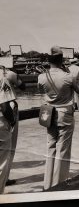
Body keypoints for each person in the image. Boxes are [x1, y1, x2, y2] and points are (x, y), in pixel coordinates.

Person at [38, 46, 79, 190]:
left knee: (50, 146)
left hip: (48, 114)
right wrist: (67, 70)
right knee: (62, 149)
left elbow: (42, 91)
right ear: (61, 60)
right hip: (65, 114)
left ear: (48, 60)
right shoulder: (68, 76)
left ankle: (47, 183)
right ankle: (59, 184)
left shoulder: (42, 76)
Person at [0, 65, 25, 193]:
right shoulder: (6, 74)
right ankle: (5, 179)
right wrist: (12, 121)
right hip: (3, 118)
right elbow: (22, 86)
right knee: (8, 151)